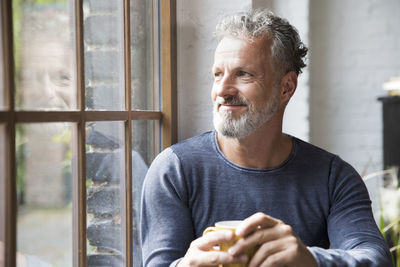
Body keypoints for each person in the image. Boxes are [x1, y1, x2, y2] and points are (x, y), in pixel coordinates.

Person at [140, 9, 392, 267]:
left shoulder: (333, 177)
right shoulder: (173, 170)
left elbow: (376, 259)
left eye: (243, 74)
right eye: (218, 74)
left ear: (286, 88)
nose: (223, 90)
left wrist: (310, 260)